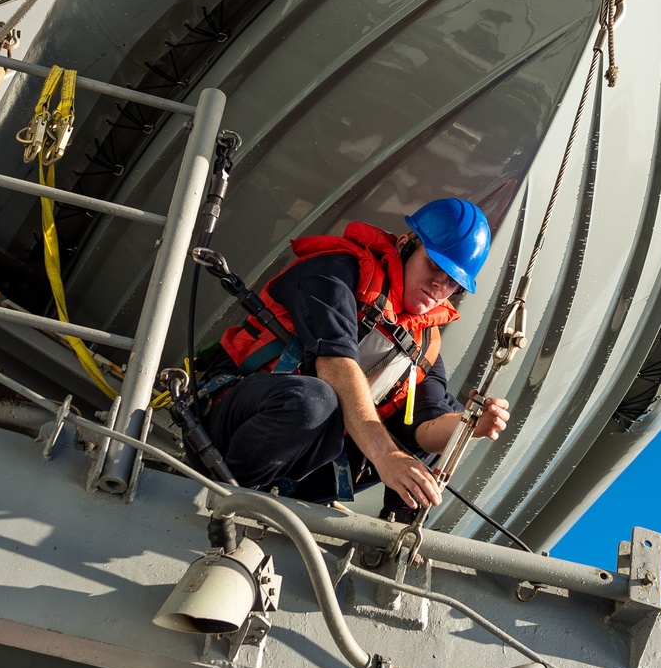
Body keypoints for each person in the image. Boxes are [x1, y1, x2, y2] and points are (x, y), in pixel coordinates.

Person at [192, 199, 509, 512]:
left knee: (445, 422)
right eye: (434, 265)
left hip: (303, 467)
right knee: (316, 399)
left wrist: (470, 427)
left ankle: (391, 538)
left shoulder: (424, 345)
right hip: (229, 430)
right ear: (405, 245)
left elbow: (424, 428)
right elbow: (335, 364)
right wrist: (385, 456)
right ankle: (225, 497)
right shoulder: (334, 272)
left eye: (453, 280)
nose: (440, 283)